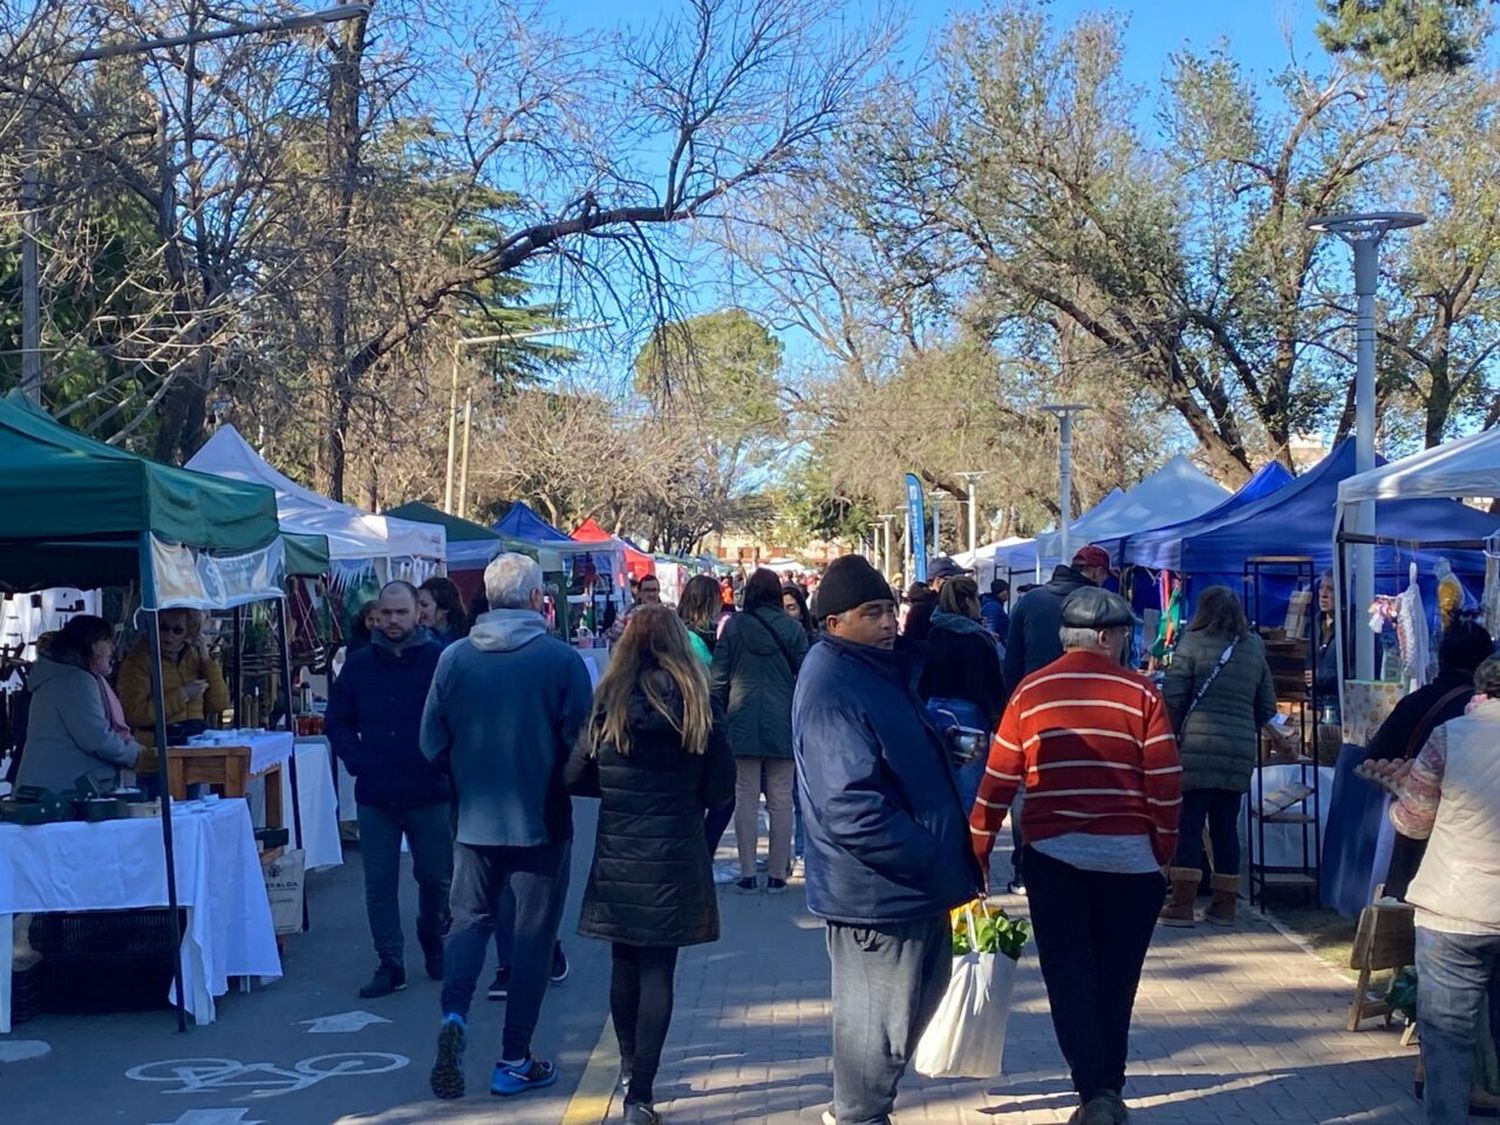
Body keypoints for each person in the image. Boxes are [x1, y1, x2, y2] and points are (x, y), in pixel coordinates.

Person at [972, 586, 1181, 1125]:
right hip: (1131, 864)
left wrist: (979, 849)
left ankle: (1094, 1093)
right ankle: (1106, 1089)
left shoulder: (1030, 692)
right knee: (1118, 980)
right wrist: (1163, 853)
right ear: (1108, 637)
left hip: (1053, 859)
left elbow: (998, 780)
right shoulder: (1142, 695)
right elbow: (1163, 783)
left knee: (1069, 979)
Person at [795, 555, 982, 1125]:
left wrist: (938, 739)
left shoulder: (875, 668)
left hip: (910, 887)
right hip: (880, 895)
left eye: (889, 609)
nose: (886, 622)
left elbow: (883, 751)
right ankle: (856, 1117)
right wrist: (928, 855)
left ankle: (863, 1112)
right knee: (877, 1033)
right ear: (834, 622)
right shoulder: (832, 681)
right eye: (871, 612)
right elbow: (850, 806)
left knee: (905, 1018)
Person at [422, 553, 594, 1100]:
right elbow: (583, 745)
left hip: (473, 820)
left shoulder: (453, 660)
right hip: (541, 822)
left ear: (487, 598)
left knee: (468, 921)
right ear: (535, 596)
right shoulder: (561, 661)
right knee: (531, 940)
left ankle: (454, 1015)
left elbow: (431, 742)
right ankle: (514, 1057)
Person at [565, 605, 735, 1125]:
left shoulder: (608, 703)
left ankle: (626, 1067)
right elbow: (721, 786)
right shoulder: (699, 705)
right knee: (660, 969)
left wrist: (614, 791)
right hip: (676, 851)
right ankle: (641, 1093)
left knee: (625, 963)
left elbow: (573, 775)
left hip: (620, 853)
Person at [326, 581, 450, 998]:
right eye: (387, 613)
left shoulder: (438, 660)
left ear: (420, 613)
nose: (393, 621)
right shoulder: (359, 666)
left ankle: (433, 935)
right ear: (375, 615)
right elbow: (337, 720)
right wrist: (355, 759)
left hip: (429, 790)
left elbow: (458, 717)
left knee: (436, 879)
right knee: (379, 883)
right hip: (376, 793)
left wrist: (446, 762)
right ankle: (390, 962)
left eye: (402, 612)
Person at [1391, 654, 1500, 1125]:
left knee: (1447, 1039)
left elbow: (1413, 824)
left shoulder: (1448, 736)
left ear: (1483, 687)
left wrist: (1400, 799)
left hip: (1452, 906)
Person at [1158, 586, 1275, 928]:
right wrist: (1241, 728)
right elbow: (1267, 705)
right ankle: (1225, 906)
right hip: (1239, 749)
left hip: (1195, 747)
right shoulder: (1253, 647)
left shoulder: (1192, 643)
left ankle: (1182, 904)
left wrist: (1170, 736)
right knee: (1226, 826)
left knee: (1189, 824)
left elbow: (1174, 698)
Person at [1368, 618, 1494, 900]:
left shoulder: (1414, 702)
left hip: (1413, 841)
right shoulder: (1476, 718)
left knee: (1403, 921)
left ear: (1442, 658)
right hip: (1467, 853)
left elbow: (1374, 755)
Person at [712, 567, 809, 894]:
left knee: (745, 798)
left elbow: (719, 679)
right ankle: (779, 872)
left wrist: (719, 715)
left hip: (741, 719)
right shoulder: (793, 630)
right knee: (781, 800)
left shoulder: (734, 629)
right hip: (783, 721)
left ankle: (749, 871)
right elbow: (807, 676)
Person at [16, 615, 141, 792]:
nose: (112, 648)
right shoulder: (76, 681)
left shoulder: (63, 676)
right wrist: (134, 754)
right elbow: (96, 738)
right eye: (107, 641)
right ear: (93, 645)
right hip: (63, 791)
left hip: (51, 785)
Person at [920, 576, 1005, 810]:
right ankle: (966, 842)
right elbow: (980, 683)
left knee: (941, 784)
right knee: (969, 788)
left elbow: (924, 676)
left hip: (935, 708)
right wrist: (996, 716)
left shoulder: (935, 632)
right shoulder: (976, 638)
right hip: (968, 716)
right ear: (969, 600)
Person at [118, 607, 231, 755]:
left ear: (188, 632)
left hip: (196, 744)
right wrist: (182, 695)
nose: (168, 635)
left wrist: (206, 660)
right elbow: (134, 714)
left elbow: (219, 703)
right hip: (159, 750)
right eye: (163, 628)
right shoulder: (139, 660)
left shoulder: (194, 656)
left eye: (177, 630)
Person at [1003, 545, 1109, 696]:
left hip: (1035, 696)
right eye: (1105, 576)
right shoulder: (1102, 603)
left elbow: (1012, 661)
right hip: (1086, 698)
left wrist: (1015, 700)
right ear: (1097, 572)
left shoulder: (1029, 600)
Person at [677, 574, 724, 667]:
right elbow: (712, 668)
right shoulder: (691, 637)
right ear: (708, 603)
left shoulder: (679, 629)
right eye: (719, 598)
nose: (722, 602)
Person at [418, 576, 471, 647]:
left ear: (445, 607)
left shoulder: (467, 637)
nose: (418, 610)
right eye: (416, 604)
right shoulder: (415, 639)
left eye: (424, 605)